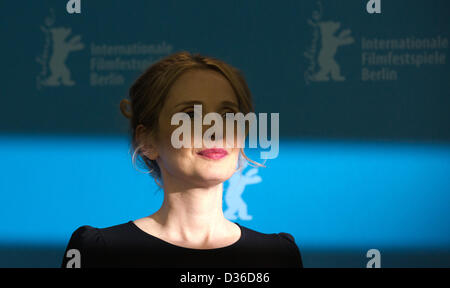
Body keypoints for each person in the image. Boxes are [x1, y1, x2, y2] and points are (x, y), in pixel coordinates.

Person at [61, 51, 303, 268]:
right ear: (148, 141)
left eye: (228, 114)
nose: (215, 130)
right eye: (190, 115)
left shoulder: (278, 256)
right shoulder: (99, 252)